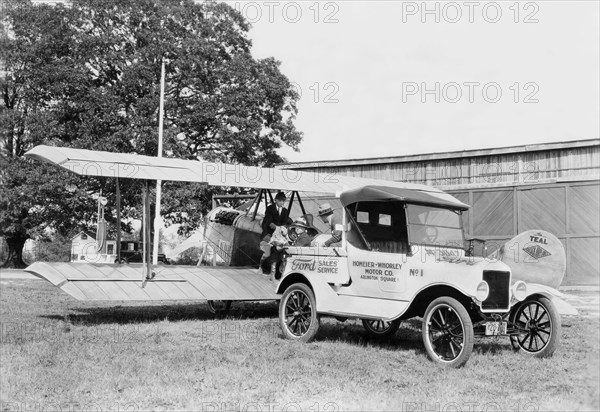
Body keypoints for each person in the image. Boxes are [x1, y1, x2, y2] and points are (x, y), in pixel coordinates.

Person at [258, 191, 292, 276]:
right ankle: (261, 266)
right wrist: (277, 227)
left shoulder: (285, 211)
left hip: (279, 235)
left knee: (279, 253)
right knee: (267, 253)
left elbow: (285, 222)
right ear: (276, 200)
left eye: (283, 201)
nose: (282, 202)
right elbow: (268, 221)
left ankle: (275, 271)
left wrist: (283, 228)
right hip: (269, 233)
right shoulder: (270, 208)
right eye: (280, 200)